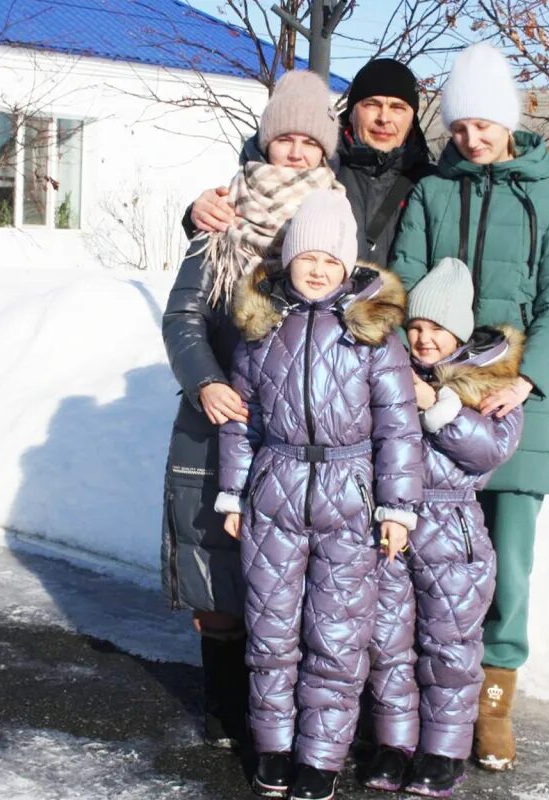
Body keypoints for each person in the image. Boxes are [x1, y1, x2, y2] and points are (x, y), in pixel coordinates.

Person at [389, 42, 549, 772]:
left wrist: (529, 379)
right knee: (426, 554)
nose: (472, 139)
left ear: (510, 122)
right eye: (461, 125)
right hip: (433, 390)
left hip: (515, 397)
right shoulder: (434, 193)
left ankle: (493, 702)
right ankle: (421, 693)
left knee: (507, 561)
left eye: (485, 124)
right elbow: (405, 273)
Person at [216, 190, 423, 800]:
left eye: (329, 260)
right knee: (272, 630)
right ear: (287, 260)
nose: (316, 268)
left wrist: (397, 508)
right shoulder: (261, 331)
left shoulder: (373, 338)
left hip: (349, 495)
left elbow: (398, 428)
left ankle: (320, 757)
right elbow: (242, 423)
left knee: (336, 634)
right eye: (306, 256)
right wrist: (233, 494)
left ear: (347, 267)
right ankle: (274, 747)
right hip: (274, 491)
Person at [160, 69, 343, 750]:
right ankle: (223, 710)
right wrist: (204, 382)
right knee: (219, 575)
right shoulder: (223, 217)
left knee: (286, 576)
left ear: (326, 151)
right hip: (222, 416)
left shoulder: (336, 224)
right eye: (284, 139)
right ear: (265, 143)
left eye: (308, 141)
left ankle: (281, 716)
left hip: (299, 429)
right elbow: (182, 317)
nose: (295, 152)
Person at [188, 59, 549, 268]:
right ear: (352, 111)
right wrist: (197, 213)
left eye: (398, 107)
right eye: (371, 104)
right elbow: (253, 202)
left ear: (413, 116)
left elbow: (497, 241)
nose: (384, 118)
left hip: (401, 352)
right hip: (310, 337)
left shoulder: (434, 181)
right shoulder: (318, 169)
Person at [364, 258, 526, 796]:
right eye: (415, 326)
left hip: (453, 530)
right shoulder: (388, 369)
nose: (423, 338)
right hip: (391, 527)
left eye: (436, 329)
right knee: (387, 642)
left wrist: (437, 404)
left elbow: (488, 451)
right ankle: (395, 743)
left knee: (450, 647)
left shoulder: (492, 384)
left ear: (457, 331)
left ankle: (444, 750)